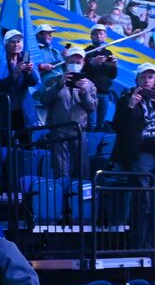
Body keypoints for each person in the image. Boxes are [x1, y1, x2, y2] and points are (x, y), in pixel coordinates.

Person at [113, 63, 155, 249]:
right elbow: (117, 126)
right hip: (138, 155)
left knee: (153, 200)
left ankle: (150, 242)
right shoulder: (126, 98)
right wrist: (131, 105)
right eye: (144, 77)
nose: (147, 80)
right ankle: (139, 243)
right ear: (137, 79)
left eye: (151, 77)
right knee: (143, 199)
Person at [35, 46, 96, 178]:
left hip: (79, 131)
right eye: (72, 62)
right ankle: (62, 196)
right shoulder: (54, 80)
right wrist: (59, 85)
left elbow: (92, 107)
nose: (75, 65)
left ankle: (78, 198)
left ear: (83, 63)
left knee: (82, 170)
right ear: (66, 61)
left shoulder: (89, 84)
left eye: (78, 63)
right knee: (61, 171)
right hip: (59, 132)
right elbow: (44, 100)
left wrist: (84, 92)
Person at [0, 30, 38, 131]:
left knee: (26, 142)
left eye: (18, 41)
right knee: (6, 142)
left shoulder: (24, 59)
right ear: (6, 44)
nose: (16, 44)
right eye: (12, 42)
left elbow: (34, 82)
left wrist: (29, 72)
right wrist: (15, 73)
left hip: (23, 108)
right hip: (4, 109)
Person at [83, 25, 119, 129]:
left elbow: (112, 76)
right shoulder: (86, 52)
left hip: (104, 92)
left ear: (105, 36)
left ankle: (98, 143)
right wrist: (92, 63)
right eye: (96, 34)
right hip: (90, 93)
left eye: (101, 33)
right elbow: (81, 71)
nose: (98, 36)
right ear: (91, 36)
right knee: (91, 122)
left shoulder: (108, 53)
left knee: (101, 123)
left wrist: (114, 66)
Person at [31, 24, 65, 93]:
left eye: (51, 34)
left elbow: (65, 68)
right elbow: (27, 68)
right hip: (46, 87)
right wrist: (41, 67)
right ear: (39, 35)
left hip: (62, 82)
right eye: (48, 33)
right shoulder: (33, 50)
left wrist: (67, 59)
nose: (50, 36)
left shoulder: (56, 51)